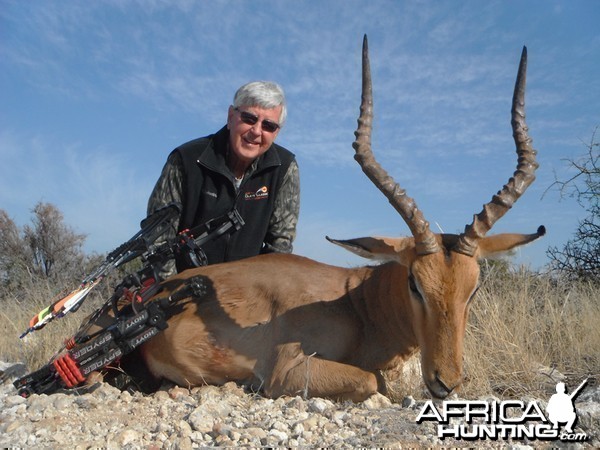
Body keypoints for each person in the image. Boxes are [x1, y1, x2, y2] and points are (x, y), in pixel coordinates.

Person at [147, 81, 300, 277]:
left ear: (276, 133)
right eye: (249, 118)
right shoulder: (186, 159)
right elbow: (158, 238)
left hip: (245, 295)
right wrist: (173, 291)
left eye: (268, 125)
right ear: (231, 117)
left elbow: (280, 246)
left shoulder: (285, 168)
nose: (256, 131)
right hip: (180, 288)